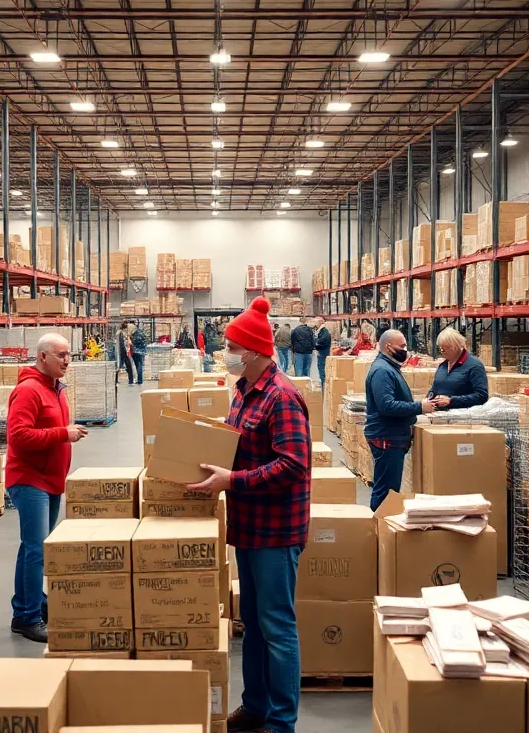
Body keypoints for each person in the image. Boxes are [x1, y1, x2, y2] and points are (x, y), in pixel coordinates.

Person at [187, 297, 310, 733]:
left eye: (232, 346)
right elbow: (239, 447)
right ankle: (255, 706)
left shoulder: (282, 398)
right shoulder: (243, 391)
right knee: (253, 625)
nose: (227, 353)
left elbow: (294, 464)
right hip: (249, 528)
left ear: (255, 352)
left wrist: (231, 481)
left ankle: (281, 721)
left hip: (276, 533)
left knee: (277, 627)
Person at [5, 332, 88, 643]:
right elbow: (19, 437)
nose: (67, 360)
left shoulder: (56, 389)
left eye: (69, 355)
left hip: (50, 479)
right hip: (29, 480)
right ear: (43, 357)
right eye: (61, 355)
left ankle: (33, 604)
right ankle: (26, 617)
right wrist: (62, 434)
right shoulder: (28, 391)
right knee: (36, 549)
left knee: (33, 548)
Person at [364, 329, 437, 511]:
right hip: (386, 437)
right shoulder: (382, 371)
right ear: (388, 347)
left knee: (389, 488)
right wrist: (420, 407)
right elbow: (387, 406)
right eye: (402, 346)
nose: (405, 350)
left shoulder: (389, 368)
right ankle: (380, 531)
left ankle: (383, 529)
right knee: (386, 492)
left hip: (391, 435)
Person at [426, 327, 488, 410]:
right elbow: (435, 389)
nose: (441, 351)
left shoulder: (474, 366)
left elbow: (481, 396)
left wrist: (451, 400)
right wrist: (429, 398)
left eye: (444, 349)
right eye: (440, 348)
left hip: (463, 417)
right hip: (440, 415)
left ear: (455, 346)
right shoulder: (442, 366)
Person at [313, 317, 332, 385]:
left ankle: (324, 385)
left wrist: (315, 342)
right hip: (322, 352)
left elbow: (323, 340)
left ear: (320, 322)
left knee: (322, 369)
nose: (315, 324)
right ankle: (323, 384)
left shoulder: (324, 331)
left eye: (316, 323)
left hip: (323, 353)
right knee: (321, 368)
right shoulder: (321, 331)